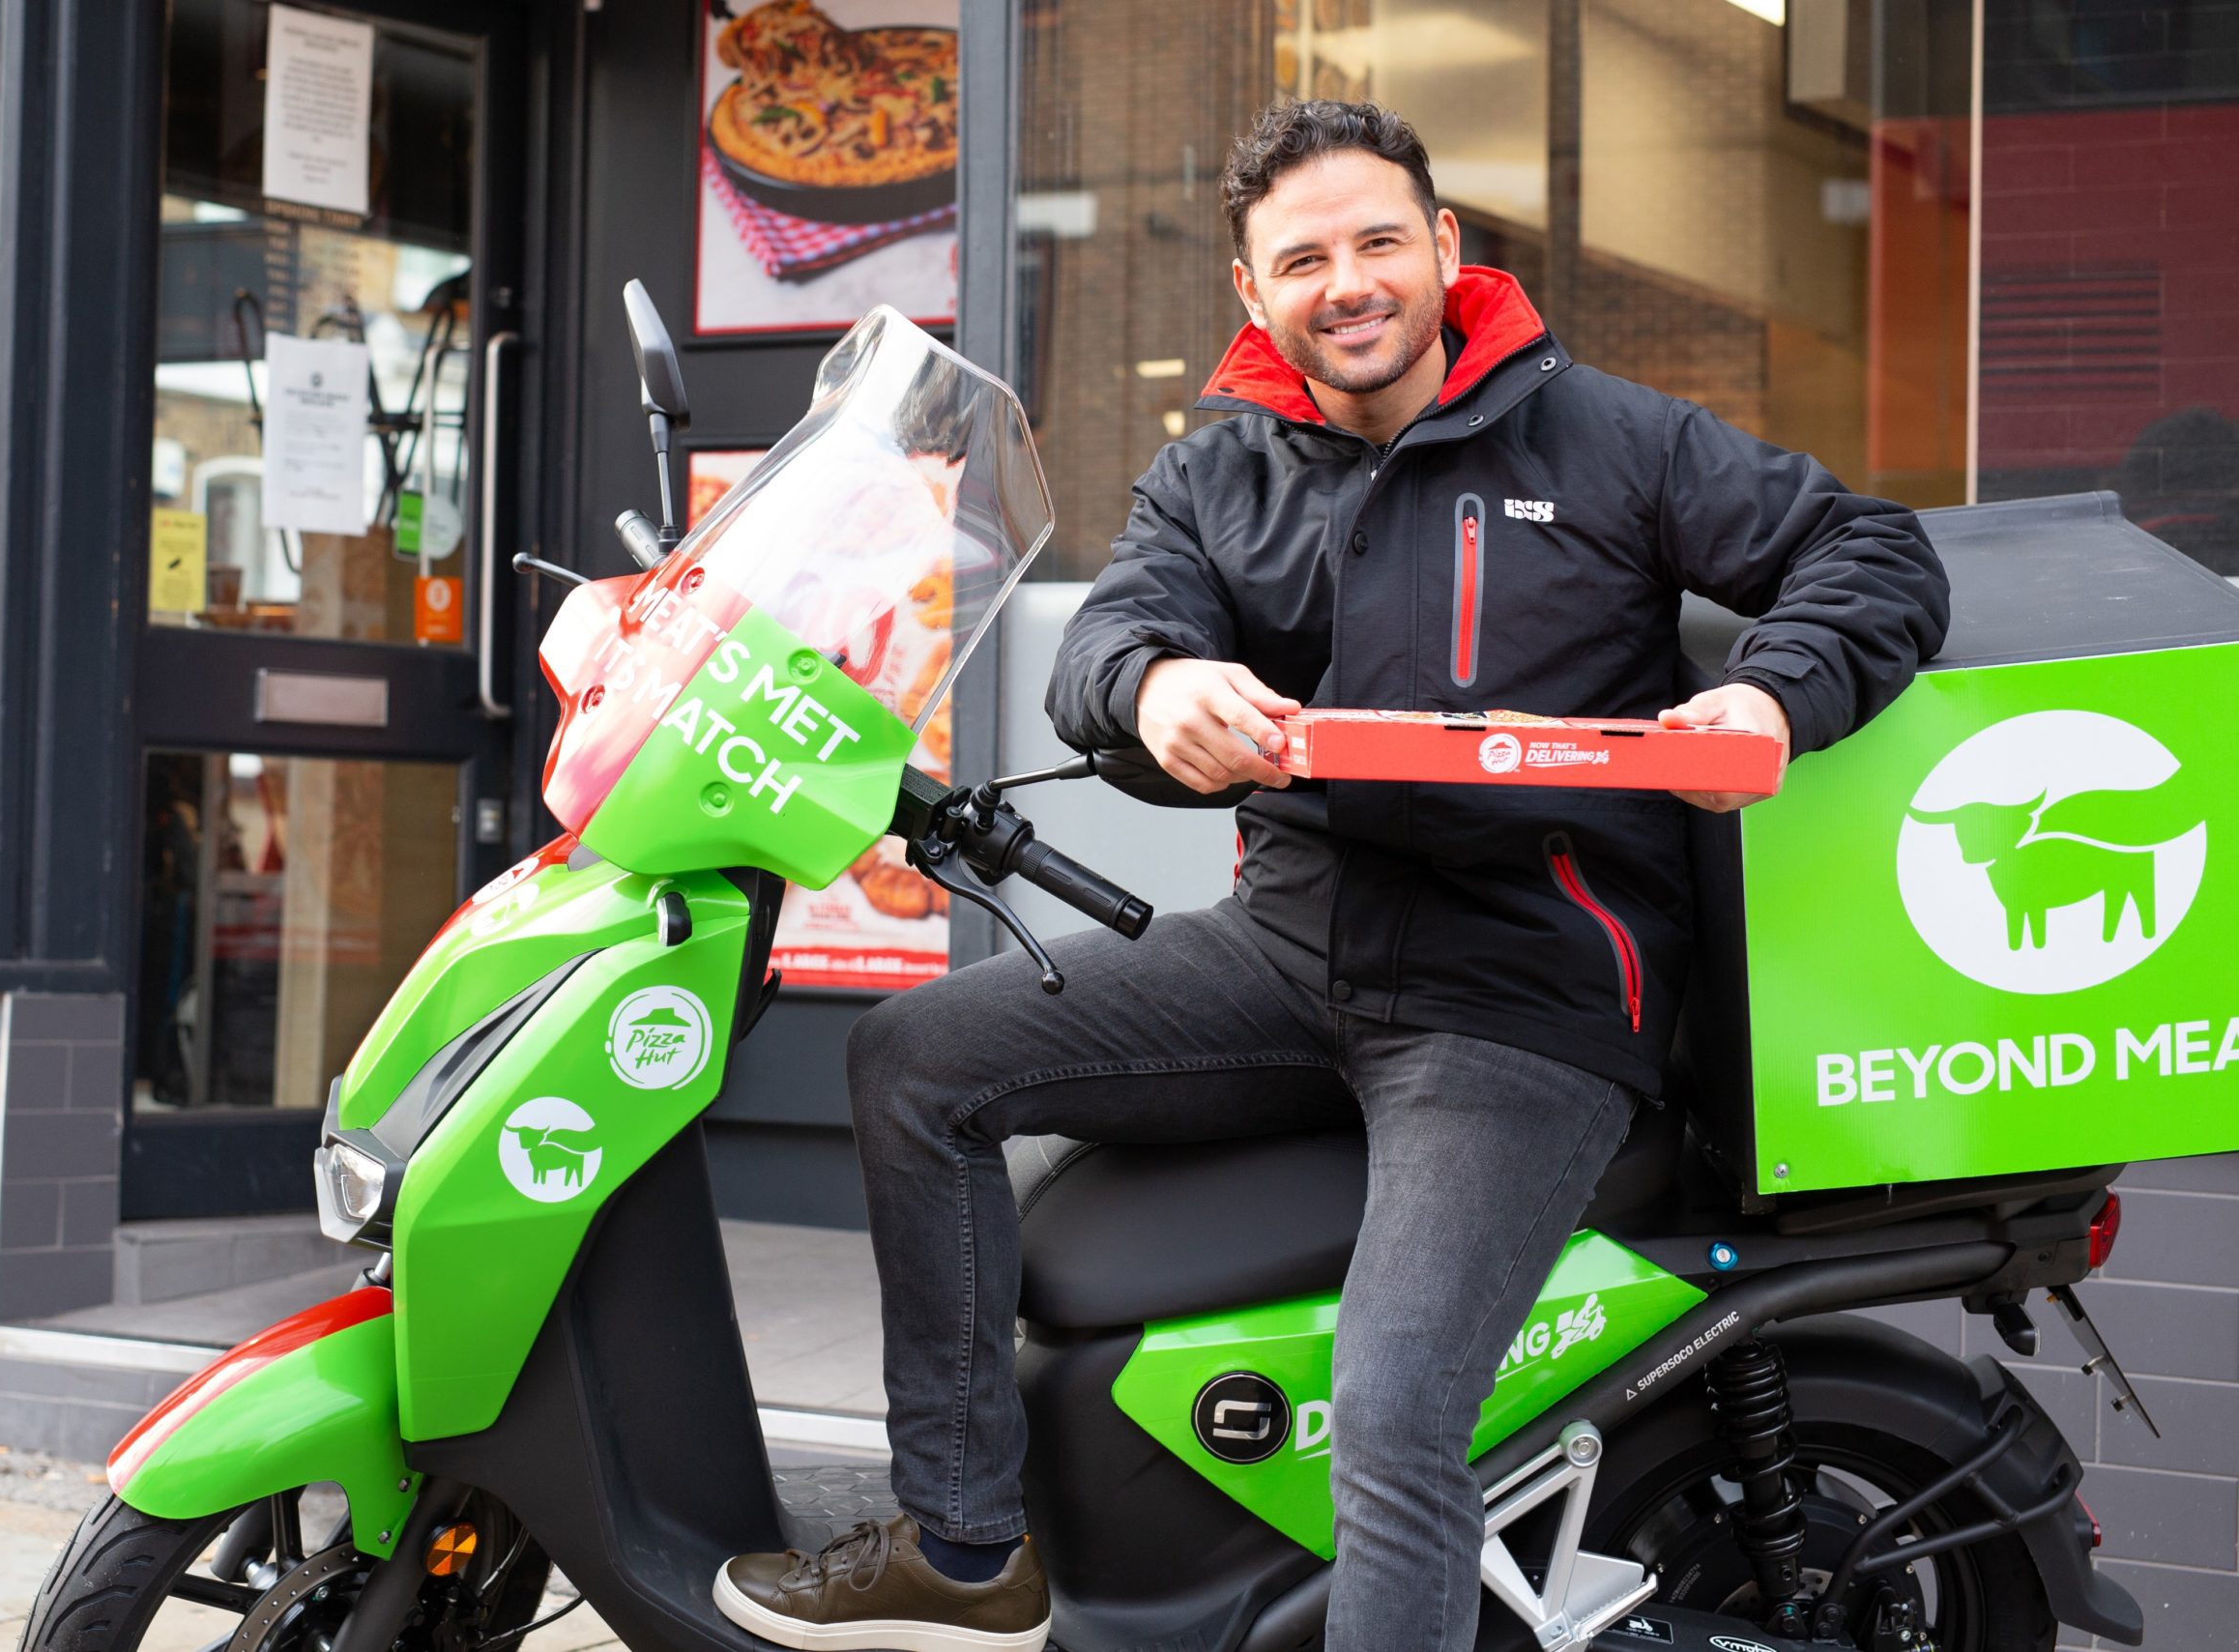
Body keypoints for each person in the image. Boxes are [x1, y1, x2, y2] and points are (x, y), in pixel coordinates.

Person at [715, 100, 1948, 1652]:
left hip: (1524, 1001)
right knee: (912, 1055)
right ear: (1253, 290)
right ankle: (965, 1542)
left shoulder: (1615, 440)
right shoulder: (1213, 475)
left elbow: (1872, 552)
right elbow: (1109, 641)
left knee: (1394, 1408)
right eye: (1303, 259)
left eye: (1379, 241)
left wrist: (1771, 697)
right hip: (1288, 957)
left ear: (1444, 247)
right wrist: (1154, 685)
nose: (1348, 282)